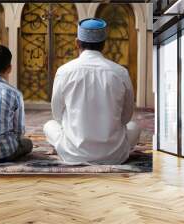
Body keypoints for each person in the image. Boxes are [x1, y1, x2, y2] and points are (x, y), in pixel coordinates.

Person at [43, 18, 141, 164]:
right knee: (134, 126)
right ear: (104, 44)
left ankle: (65, 149)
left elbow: (57, 114)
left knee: (49, 125)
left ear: (77, 43)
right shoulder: (120, 72)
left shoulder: (64, 71)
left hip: (73, 153)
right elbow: (126, 117)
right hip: (114, 155)